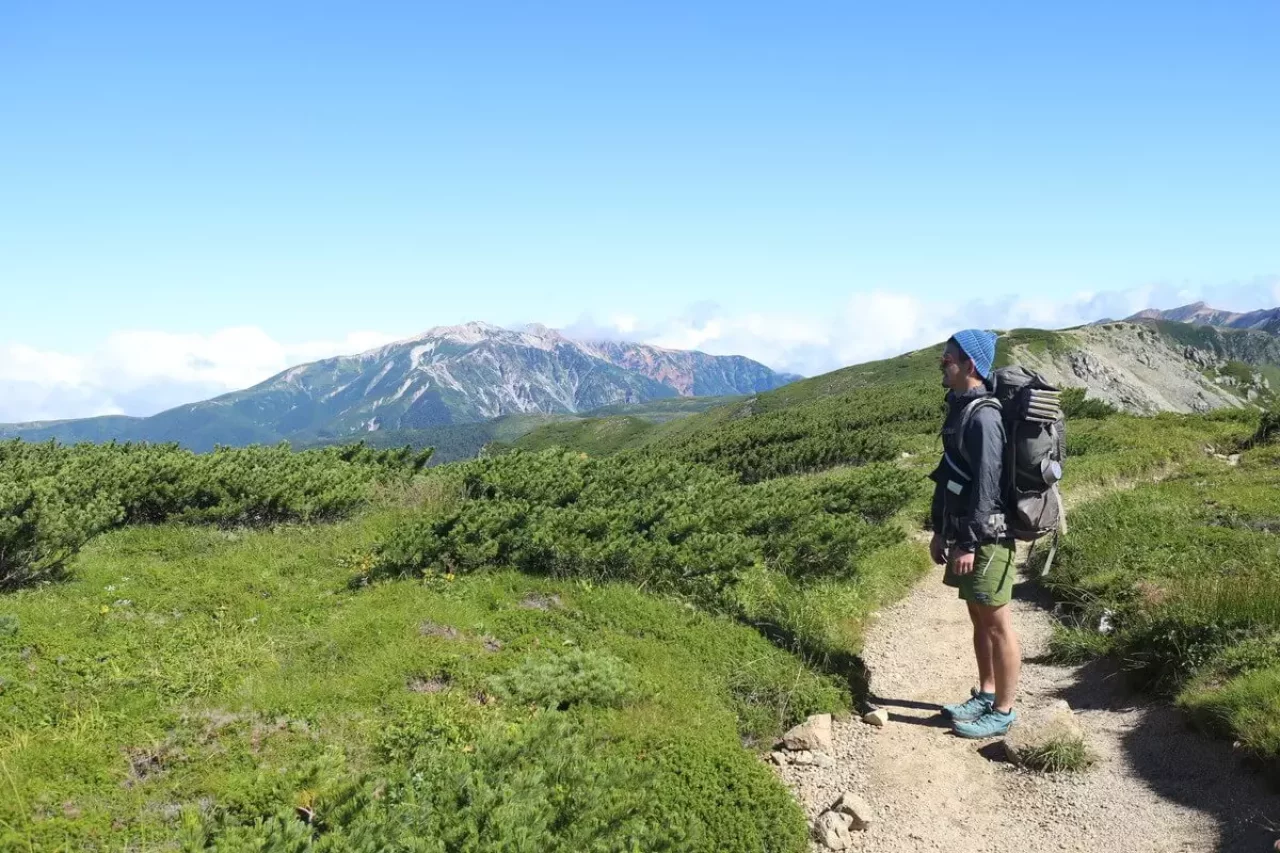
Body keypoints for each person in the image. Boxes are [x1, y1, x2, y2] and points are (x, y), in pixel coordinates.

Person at [928, 329, 1020, 738]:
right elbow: (950, 474)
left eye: (947, 359)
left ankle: (1004, 709)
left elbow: (987, 483)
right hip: (964, 532)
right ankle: (985, 693)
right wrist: (939, 531)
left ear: (970, 365)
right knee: (978, 617)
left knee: (997, 622)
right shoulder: (960, 408)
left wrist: (967, 541)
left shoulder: (984, 415)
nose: (941, 364)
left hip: (988, 537)